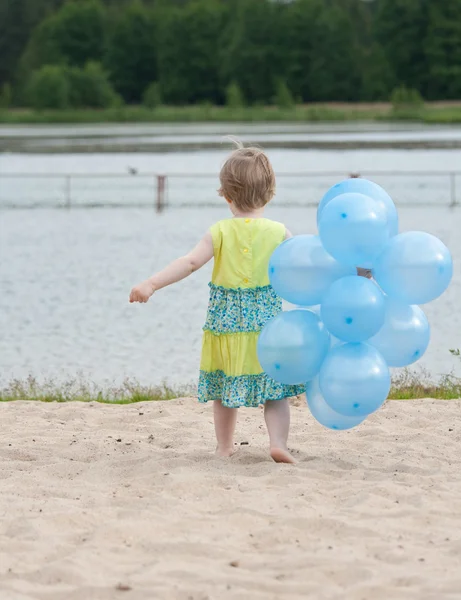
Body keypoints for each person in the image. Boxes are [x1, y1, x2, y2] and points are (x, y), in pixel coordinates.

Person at [129, 144, 305, 463]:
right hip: (266, 326)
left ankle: (225, 447)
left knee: (225, 391)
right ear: (270, 193)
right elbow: (307, 266)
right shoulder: (280, 232)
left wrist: (151, 283)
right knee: (275, 391)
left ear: (226, 195)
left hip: (226, 326)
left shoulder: (219, 231)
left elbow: (190, 263)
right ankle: (278, 441)